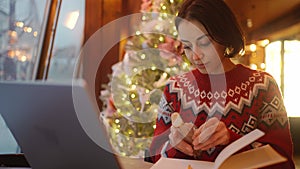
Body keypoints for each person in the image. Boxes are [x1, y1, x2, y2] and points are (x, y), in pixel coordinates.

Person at [148, 0, 295, 168]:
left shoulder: (262, 86)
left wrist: (232, 141)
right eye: (187, 47)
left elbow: (283, 162)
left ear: (224, 36)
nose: (195, 56)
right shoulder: (174, 88)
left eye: (204, 43)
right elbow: (155, 157)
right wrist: (176, 144)